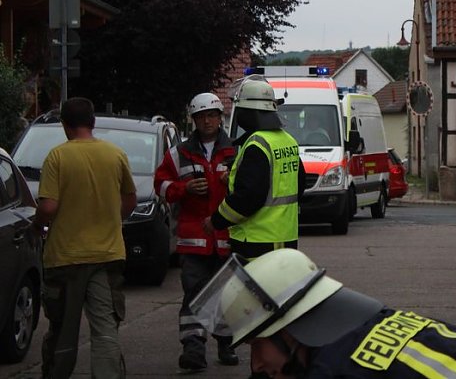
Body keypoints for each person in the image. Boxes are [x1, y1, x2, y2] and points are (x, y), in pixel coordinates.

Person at [190, 248, 456, 378]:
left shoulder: (336, 371)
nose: (257, 365)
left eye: (256, 346)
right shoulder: (374, 323)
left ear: (292, 328)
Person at [33, 97, 137, 379]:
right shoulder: (115, 155)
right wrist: (113, 220)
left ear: (65, 125)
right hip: (108, 256)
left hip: (65, 257)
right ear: (93, 122)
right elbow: (129, 198)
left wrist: (37, 224)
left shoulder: (57, 156)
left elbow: (48, 207)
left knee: (64, 330)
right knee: (105, 328)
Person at [154, 92, 239, 370]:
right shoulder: (179, 153)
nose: (207, 121)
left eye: (212, 115)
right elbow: (161, 185)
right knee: (193, 294)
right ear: (194, 120)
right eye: (201, 117)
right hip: (193, 240)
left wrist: (230, 183)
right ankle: (193, 350)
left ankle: (226, 344)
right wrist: (184, 188)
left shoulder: (236, 151)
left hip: (226, 238)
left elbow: (248, 190)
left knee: (226, 295)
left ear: (220, 118)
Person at [203, 78, 306, 259]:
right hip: (286, 241)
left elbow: (247, 198)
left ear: (247, 112)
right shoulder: (288, 140)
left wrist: (215, 221)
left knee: (253, 287)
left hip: (257, 243)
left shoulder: (257, 145)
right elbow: (298, 185)